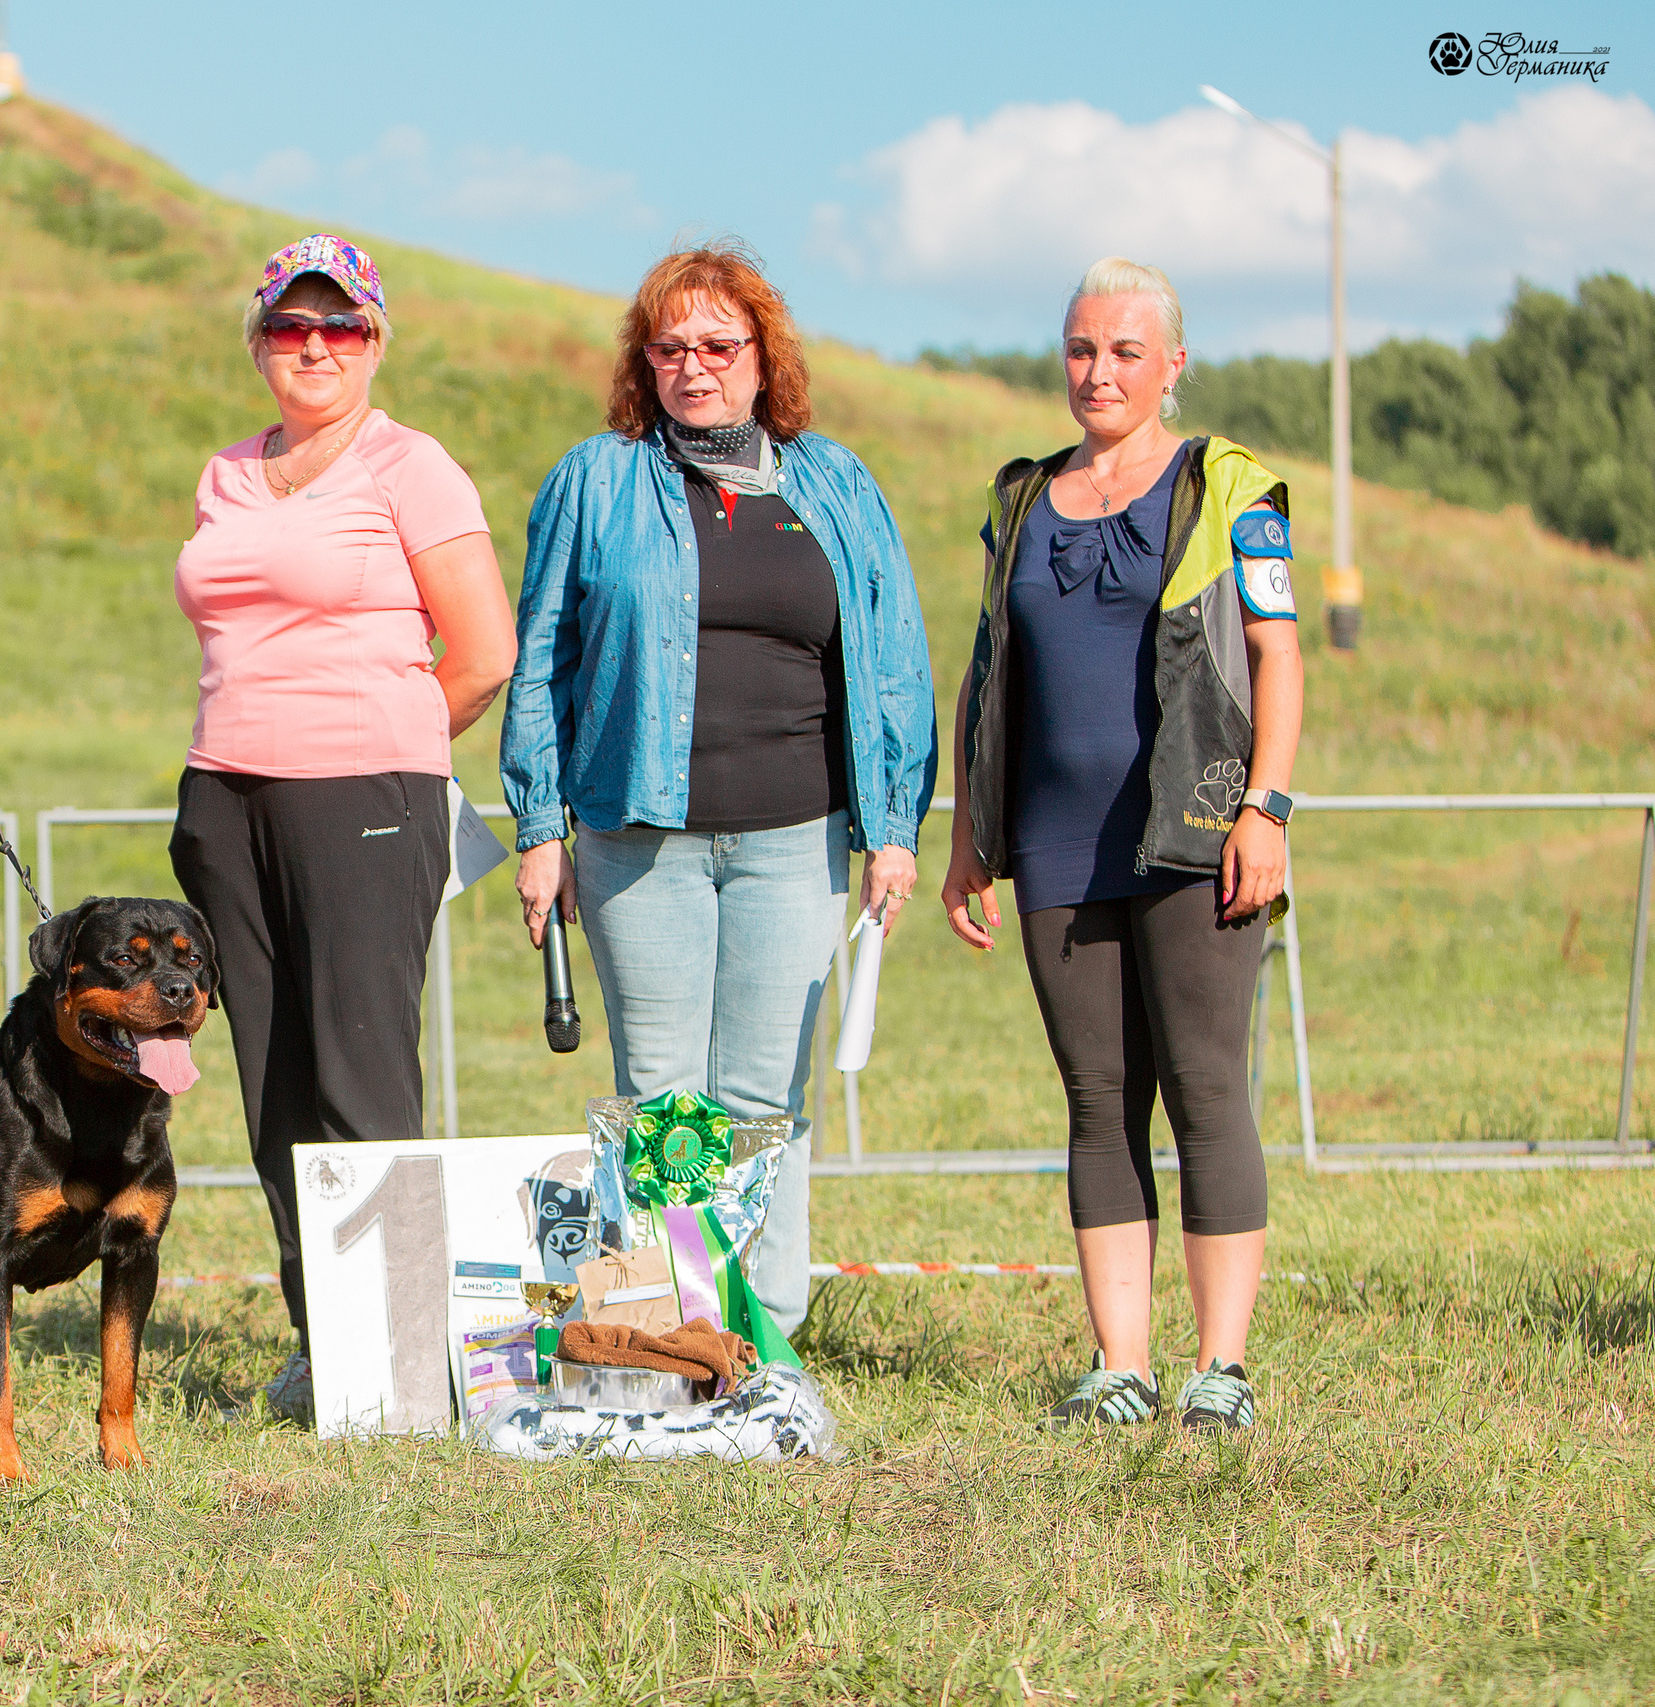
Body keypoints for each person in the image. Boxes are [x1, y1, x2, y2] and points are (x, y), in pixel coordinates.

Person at [500, 240, 937, 1341]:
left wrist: (892, 827)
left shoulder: (833, 481)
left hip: (796, 840)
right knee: (661, 1100)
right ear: (643, 364)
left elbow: (891, 658)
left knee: (765, 1105)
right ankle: (666, 1335)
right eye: (670, 347)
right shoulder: (592, 480)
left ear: (760, 356)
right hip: (636, 840)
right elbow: (541, 657)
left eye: (717, 345)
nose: (694, 365)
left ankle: (767, 1336)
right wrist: (538, 827)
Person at [939, 256, 1303, 1433]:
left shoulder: (1232, 488)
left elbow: (1278, 660)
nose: (1098, 372)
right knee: (1098, 1099)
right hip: (1053, 843)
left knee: (1204, 1089)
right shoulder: (1020, 499)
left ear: (1173, 367)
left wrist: (1266, 808)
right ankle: (1119, 1366)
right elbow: (989, 675)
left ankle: (1223, 1370)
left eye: (1126, 352)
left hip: (1193, 831)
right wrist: (969, 839)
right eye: (1082, 349)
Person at [166, 235, 515, 1425]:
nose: (314, 347)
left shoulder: (412, 468)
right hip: (225, 797)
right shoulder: (223, 471)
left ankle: (408, 1361)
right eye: (290, 326)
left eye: (342, 327)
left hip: (367, 793)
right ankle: (329, 1341)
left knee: (360, 1072)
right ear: (259, 338)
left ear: (375, 340)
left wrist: (387, 753)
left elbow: (482, 653)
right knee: (272, 1087)